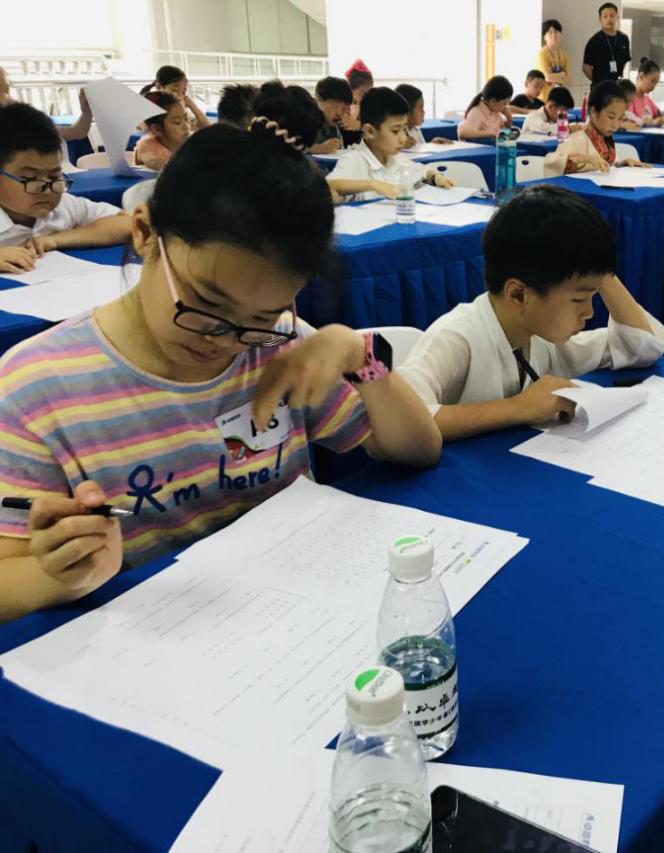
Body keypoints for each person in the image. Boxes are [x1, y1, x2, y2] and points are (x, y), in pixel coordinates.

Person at [0, 88, 441, 622]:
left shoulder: (276, 347)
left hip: (289, 616)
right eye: (205, 305)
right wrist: (58, 572)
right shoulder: (34, 387)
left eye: (261, 317)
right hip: (143, 638)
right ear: (145, 234)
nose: (224, 340)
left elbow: (417, 448)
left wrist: (355, 351)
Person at [397, 186, 664, 441]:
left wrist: (597, 267)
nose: (589, 312)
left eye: (593, 296)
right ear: (518, 295)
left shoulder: (540, 335)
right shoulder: (456, 336)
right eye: (579, 299)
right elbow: (398, 421)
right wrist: (518, 408)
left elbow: (641, 348)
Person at [0, 103, 130, 273]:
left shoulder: (63, 206)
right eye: (30, 178)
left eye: (54, 176)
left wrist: (54, 240)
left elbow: (127, 223)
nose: (47, 189)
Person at [327, 87, 454, 202]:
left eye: (404, 129)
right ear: (370, 131)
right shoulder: (353, 161)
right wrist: (372, 184)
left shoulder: (395, 159)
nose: (403, 138)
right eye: (395, 131)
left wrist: (433, 176)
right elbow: (326, 186)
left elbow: (421, 170)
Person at [544, 80, 646, 176]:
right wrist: (584, 159)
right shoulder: (578, 139)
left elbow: (606, 165)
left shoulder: (605, 140)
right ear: (594, 112)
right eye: (611, 117)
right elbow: (552, 163)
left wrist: (622, 164)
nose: (615, 125)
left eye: (620, 118)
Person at [141, 65, 211, 131]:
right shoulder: (153, 108)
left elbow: (207, 127)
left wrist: (192, 106)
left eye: (183, 91)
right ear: (159, 87)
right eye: (174, 90)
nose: (179, 96)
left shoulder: (179, 108)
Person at [133, 92, 189, 171]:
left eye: (186, 119)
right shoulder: (146, 145)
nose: (186, 126)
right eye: (177, 122)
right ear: (157, 129)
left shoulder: (185, 143)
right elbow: (167, 166)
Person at [582, 3, 631, 86]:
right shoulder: (594, 40)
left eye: (612, 16)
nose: (609, 19)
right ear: (600, 19)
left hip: (617, 85)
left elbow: (625, 61)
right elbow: (586, 67)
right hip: (599, 86)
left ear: (617, 17)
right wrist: (598, 82)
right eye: (605, 16)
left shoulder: (623, 38)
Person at [396, 84, 453, 148]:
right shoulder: (396, 134)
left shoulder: (415, 129)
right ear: (408, 111)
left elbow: (419, 150)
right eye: (421, 108)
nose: (424, 112)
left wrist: (430, 145)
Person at [311, 76, 353, 155]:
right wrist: (319, 148)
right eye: (335, 104)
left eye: (344, 107)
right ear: (318, 99)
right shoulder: (305, 118)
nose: (339, 113)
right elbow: (289, 147)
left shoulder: (334, 126)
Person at [536, 19, 571, 101]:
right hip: (543, 98)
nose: (554, 35)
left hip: (558, 97)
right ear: (544, 36)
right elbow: (547, 77)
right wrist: (561, 75)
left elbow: (567, 78)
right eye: (550, 33)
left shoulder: (564, 54)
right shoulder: (542, 54)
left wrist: (553, 76)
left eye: (557, 32)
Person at [628, 58, 664, 126]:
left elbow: (661, 114)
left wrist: (663, 119)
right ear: (641, 76)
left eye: (656, 83)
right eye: (652, 81)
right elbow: (630, 120)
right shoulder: (629, 99)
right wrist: (653, 122)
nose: (654, 86)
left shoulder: (648, 99)